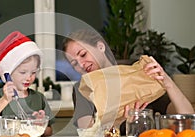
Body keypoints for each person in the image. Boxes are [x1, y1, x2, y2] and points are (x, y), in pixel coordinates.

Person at [62, 29, 194, 130]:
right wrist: (117, 121)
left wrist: (168, 83)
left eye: (83, 54)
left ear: (100, 47)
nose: (81, 65)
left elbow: (188, 117)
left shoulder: (141, 75)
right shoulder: (83, 89)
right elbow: (87, 133)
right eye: (74, 64)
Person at [0, 31, 55, 137]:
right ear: (8, 73)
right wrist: (5, 100)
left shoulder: (39, 98)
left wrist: (40, 125)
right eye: (23, 72)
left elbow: (49, 131)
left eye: (33, 72)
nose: (29, 77)